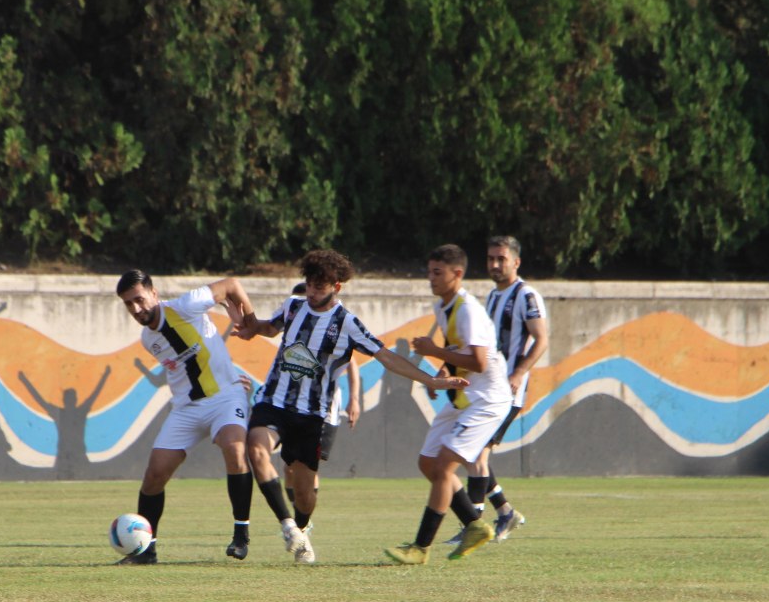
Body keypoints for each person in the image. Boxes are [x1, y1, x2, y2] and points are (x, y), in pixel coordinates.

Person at [234, 250, 467, 564]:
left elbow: (386, 357)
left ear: (337, 287)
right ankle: (288, 526)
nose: (313, 292)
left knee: (305, 493)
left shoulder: (347, 323)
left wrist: (431, 380)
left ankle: (302, 529)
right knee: (256, 447)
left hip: (313, 415)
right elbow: (269, 326)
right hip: (274, 401)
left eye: (320, 286)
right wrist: (252, 328)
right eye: (310, 285)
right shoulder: (293, 307)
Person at [114, 270, 259, 564]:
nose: (136, 308)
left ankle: (241, 535)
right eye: (129, 304)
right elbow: (186, 367)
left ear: (154, 293)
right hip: (187, 409)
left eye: (139, 299)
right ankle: (145, 551)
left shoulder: (186, 305)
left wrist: (251, 321)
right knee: (155, 475)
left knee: (235, 448)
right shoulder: (147, 339)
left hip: (225, 398)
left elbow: (231, 284)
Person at [385, 244, 513, 565]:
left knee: (443, 466)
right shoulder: (444, 307)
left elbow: (481, 362)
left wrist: (434, 352)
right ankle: (474, 525)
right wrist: (441, 374)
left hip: (486, 400)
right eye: (429, 272)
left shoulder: (469, 309)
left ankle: (420, 547)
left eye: (437, 273)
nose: (431, 278)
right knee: (428, 464)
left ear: (458, 274)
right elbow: (459, 349)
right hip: (462, 395)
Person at [445, 235, 547, 545]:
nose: (495, 264)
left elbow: (541, 339)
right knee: (474, 455)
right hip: (486, 389)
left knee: (476, 454)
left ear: (516, 261)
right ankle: (504, 512)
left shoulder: (527, 296)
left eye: (501, 259)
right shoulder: (491, 297)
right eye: (491, 258)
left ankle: (472, 525)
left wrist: (518, 372)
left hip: (508, 391)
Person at [281, 283, 360, 509]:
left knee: (307, 465)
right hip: (292, 406)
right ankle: (298, 519)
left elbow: (352, 361)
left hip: (323, 408)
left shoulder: (333, 327)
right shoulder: (293, 328)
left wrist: (354, 399)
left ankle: (303, 525)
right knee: (288, 469)